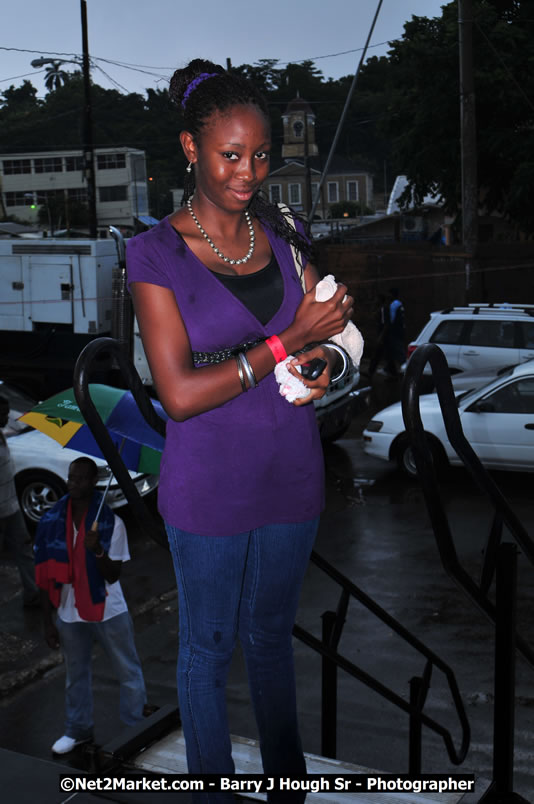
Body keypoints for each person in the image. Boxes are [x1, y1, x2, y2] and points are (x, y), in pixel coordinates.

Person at [126, 59, 354, 793]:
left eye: (259, 155)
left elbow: (331, 337)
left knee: (270, 642)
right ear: (192, 149)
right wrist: (287, 342)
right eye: (230, 155)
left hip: (291, 470)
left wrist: (324, 362)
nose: (248, 171)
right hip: (208, 485)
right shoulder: (153, 254)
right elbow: (181, 395)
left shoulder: (284, 229)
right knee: (208, 647)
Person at [34, 457, 147, 754]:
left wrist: (96, 549)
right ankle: (78, 730)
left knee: (128, 671)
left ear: (93, 481)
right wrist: (47, 621)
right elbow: (44, 575)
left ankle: (136, 729)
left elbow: (113, 574)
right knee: (76, 674)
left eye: (81, 479)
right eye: (71, 478)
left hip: (108, 609)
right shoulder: (51, 521)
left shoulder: (112, 523)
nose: (74, 484)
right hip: (69, 611)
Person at [0, 395, 40, 607]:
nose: (7, 417)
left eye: (7, 413)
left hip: (12, 509)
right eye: (3, 414)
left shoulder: (3, 435)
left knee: (25, 550)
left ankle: (32, 593)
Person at [367, 293, 390, 378]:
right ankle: (371, 372)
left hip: (383, 336)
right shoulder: (381, 309)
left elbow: (386, 324)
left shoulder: (383, 309)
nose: (374, 301)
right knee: (379, 354)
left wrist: (381, 337)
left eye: (376, 299)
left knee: (378, 354)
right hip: (382, 336)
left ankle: (371, 372)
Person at [384, 287, 405, 377]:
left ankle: (403, 367)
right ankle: (390, 369)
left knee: (397, 348)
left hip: (395, 330)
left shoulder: (393, 305)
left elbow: (392, 320)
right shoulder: (400, 304)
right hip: (400, 329)